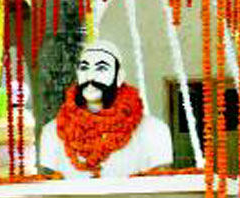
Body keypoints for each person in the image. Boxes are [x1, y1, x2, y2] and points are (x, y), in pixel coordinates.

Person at [40, 40, 173, 178]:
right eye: (84, 68)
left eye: (101, 68)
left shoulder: (154, 130)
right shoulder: (52, 132)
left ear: (119, 77)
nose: (90, 77)